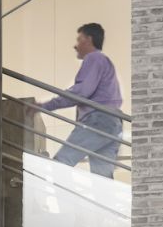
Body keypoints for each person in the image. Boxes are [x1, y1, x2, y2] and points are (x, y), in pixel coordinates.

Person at [37, 22, 124, 178]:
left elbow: (81, 92)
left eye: (79, 40)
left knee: (61, 162)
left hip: (98, 121)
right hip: (113, 124)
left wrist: (45, 106)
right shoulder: (105, 62)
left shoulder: (94, 58)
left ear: (88, 40)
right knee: (102, 180)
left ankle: (63, 202)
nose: (75, 46)